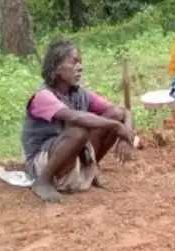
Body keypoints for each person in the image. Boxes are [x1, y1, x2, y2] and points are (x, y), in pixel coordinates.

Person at [21, 39, 136, 203]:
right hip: (43, 160)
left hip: (71, 151)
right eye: (74, 62)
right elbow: (75, 117)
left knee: (115, 114)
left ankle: (92, 170)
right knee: (79, 130)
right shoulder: (43, 96)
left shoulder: (78, 93)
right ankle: (43, 182)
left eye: (80, 62)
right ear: (57, 68)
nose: (80, 67)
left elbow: (124, 112)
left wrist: (126, 135)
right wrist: (117, 126)